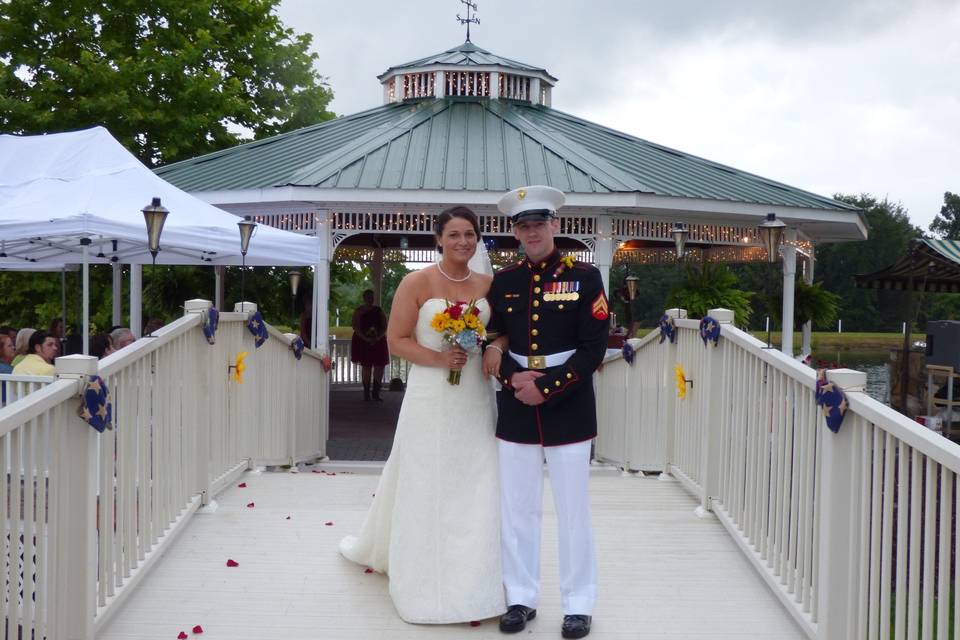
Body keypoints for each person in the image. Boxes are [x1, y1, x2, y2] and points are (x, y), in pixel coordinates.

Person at [339, 206, 505, 624]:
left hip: (473, 396)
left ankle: (473, 574)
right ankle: (421, 572)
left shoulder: (489, 285)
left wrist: (494, 346)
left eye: (469, 234)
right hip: (431, 394)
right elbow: (395, 340)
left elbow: (504, 327)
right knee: (426, 476)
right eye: (453, 234)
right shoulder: (416, 282)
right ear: (438, 238)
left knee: (476, 478)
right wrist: (438, 356)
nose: (462, 242)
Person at [483, 185, 608, 639]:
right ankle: (520, 596)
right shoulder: (505, 280)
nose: (531, 231)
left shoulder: (585, 277)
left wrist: (548, 387)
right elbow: (493, 336)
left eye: (539, 223)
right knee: (517, 509)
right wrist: (512, 380)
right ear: (515, 232)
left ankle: (579, 602)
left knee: (573, 508)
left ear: (555, 225)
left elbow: (594, 348)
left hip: (569, 403)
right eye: (523, 225)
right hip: (516, 402)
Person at [350, 289, 389, 401]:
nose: (370, 300)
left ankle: (376, 392)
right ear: (364, 298)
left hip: (378, 341)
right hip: (363, 341)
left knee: (379, 366)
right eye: (368, 297)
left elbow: (384, 325)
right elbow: (355, 326)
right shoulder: (359, 311)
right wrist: (365, 338)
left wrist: (378, 337)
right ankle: (366, 393)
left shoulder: (378, 310)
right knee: (366, 366)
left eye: (371, 298)